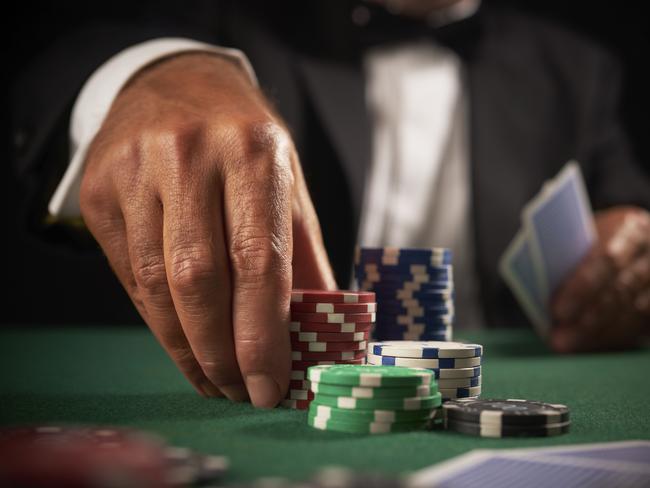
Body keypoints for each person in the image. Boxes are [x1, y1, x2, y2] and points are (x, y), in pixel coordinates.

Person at [9, 0, 650, 408]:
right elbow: (72, 47)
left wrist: (633, 254)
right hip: (279, 392)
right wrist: (150, 75)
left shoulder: (578, 69)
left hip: (493, 379)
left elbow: (629, 212)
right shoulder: (238, 20)